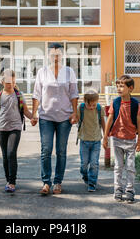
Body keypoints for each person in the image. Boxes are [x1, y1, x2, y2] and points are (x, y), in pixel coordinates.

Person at [31, 42, 79, 195]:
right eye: (53, 54)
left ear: (62, 55)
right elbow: (36, 94)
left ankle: (57, 182)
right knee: (46, 150)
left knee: (61, 151)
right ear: (48, 55)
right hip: (46, 116)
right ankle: (46, 182)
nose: (55, 57)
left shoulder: (69, 71)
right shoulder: (42, 72)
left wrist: (75, 112)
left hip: (65, 116)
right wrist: (33, 113)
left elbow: (73, 93)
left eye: (58, 54)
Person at [103, 75, 140, 203]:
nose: (119, 89)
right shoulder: (115, 102)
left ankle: (130, 190)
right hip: (117, 139)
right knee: (118, 166)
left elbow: (139, 121)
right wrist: (105, 137)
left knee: (130, 167)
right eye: (118, 86)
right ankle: (118, 190)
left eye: (122, 86)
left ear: (130, 88)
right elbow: (110, 118)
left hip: (131, 139)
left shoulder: (135, 104)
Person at [0, 69, 33, 194]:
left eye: (12, 81)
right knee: (5, 155)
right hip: (1, 128)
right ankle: (8, 180)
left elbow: (25, 111)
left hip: (15, 127)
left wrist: (33, 117)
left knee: (11, 153)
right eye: (7, 81)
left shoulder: (19, 95)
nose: (10, 84)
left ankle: (12, 182)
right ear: (2, 81)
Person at [76, 89, 105, 192]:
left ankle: (92, 183)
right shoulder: (81, 108)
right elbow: (76, 118)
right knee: (84, 164)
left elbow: (102, 121)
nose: (92, 107)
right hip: (84, 140)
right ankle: (85, 176)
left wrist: (105, 135)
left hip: (96, 140)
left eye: (94, 105)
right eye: (90, 105)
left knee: (94, 163)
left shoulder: (99, 108)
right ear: (84, 101)